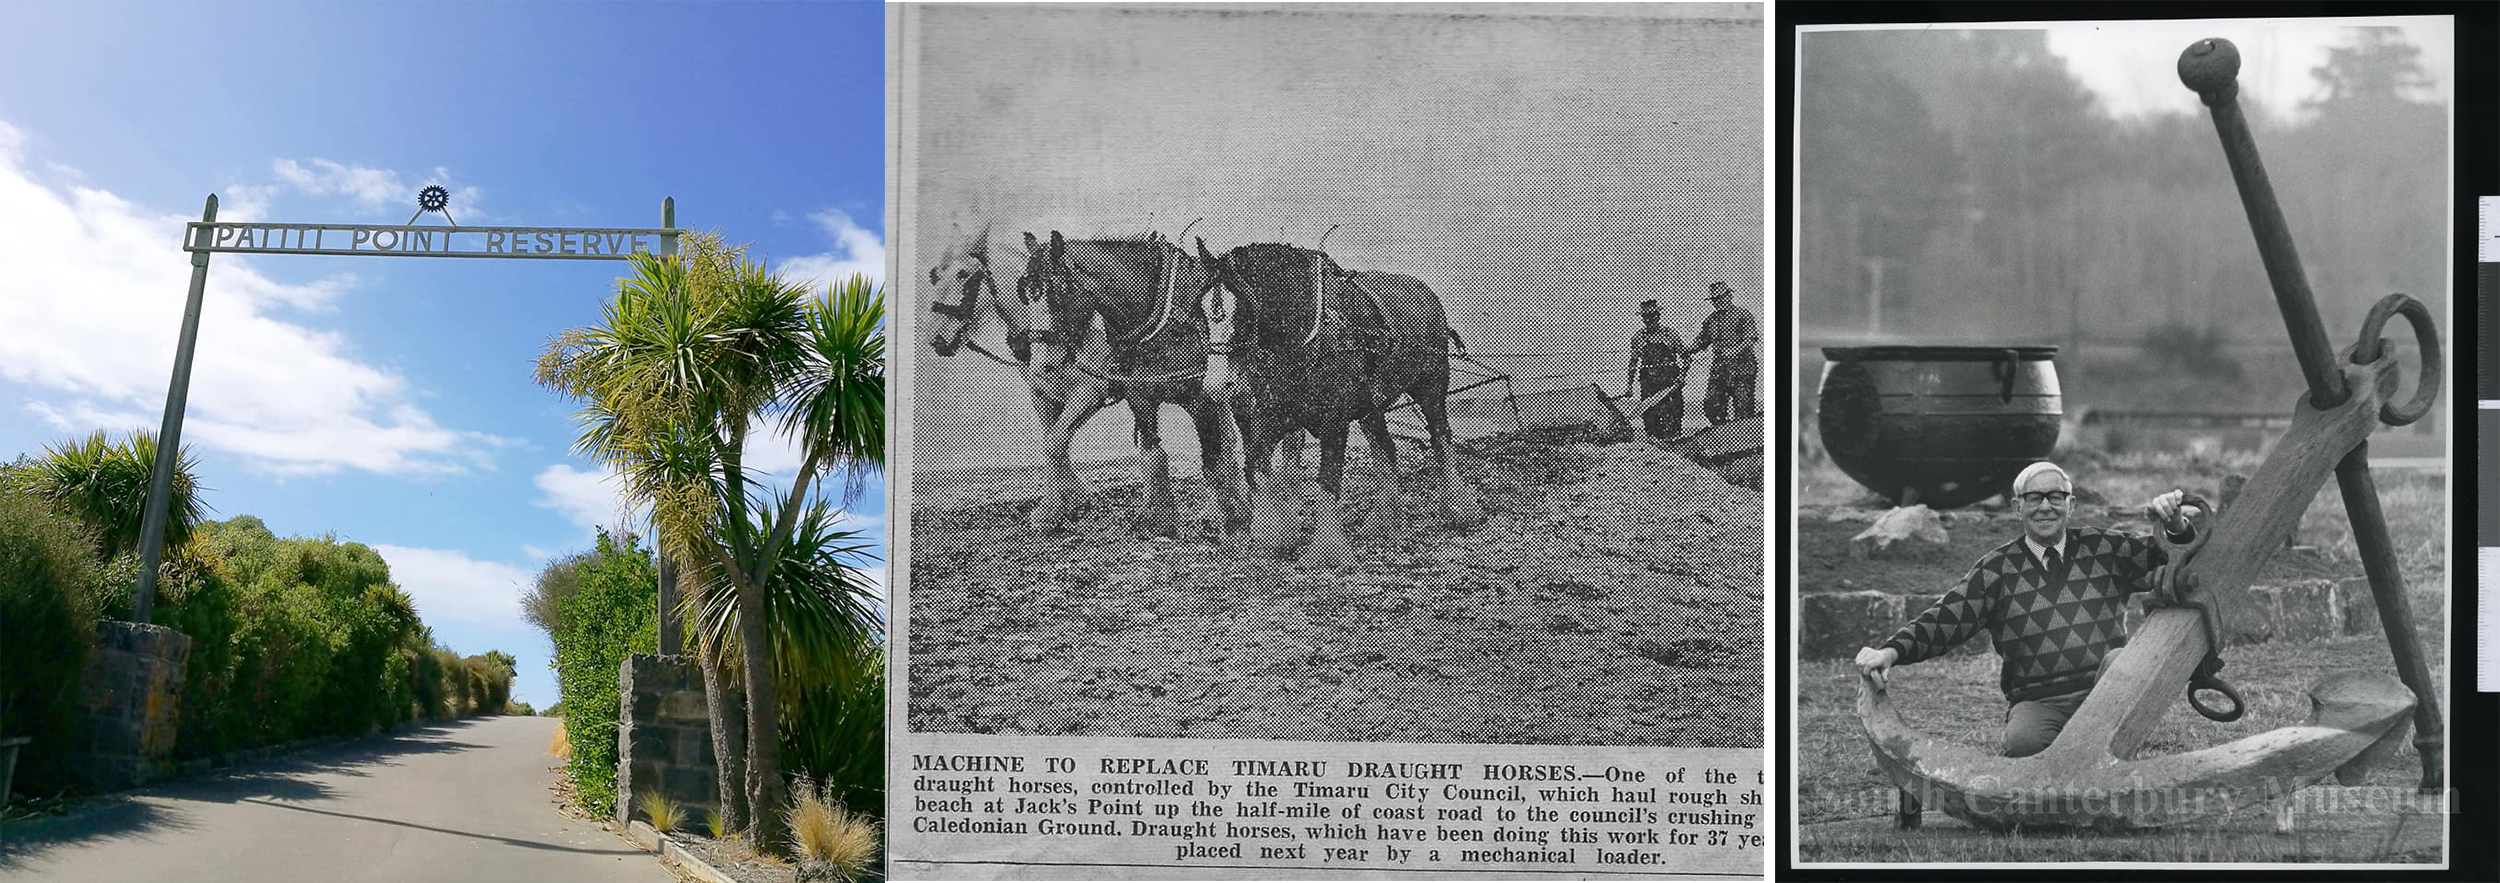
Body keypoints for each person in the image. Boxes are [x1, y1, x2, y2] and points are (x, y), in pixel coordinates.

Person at [1854, 462, 2205, 758]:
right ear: (2016, 507)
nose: (2045, 506)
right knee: (2024, 746)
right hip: (2040, 702)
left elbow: (2174, 558)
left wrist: (2175, 524)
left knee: (2121, 661)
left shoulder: (2105, 548)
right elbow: (1947, 619)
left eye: (2056, 496)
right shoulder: (1996, 570)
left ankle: (2109, 758)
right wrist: (1891, 651)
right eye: (2034, 497)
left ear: (2071, 504)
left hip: (2105, 690)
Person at [1684, 281, 1758, 425]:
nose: (1718, 302)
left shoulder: (1743, 315)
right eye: (1715, 300)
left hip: (1743, 369)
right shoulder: (1711, 320)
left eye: (1721, 298)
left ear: (1729, 296)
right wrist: (1688, 349)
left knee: (1743, 410)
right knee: (1712, 407)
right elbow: (1702, 340)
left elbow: (1751, 338)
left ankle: (1743, 436)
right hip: (1720, 370)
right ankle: (1722, 433)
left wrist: (1733, 351)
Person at [1622, 299, 1686, 439]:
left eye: (1652, 315)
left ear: (1658, 315)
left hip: (1669, 387)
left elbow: (1686, 358)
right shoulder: (1638, 338)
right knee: (1651, 425)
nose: (1649, 319)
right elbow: (1633, 364)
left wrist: (1682, 376)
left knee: (1672, 423)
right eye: (1645, 316)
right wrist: (1629, 387)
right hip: (1649, 388)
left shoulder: (1670, 334)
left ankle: (1674, 448)